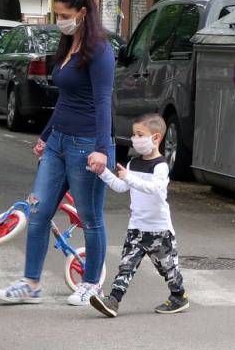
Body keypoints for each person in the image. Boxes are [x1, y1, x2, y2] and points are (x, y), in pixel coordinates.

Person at [0, 0, 115, 306]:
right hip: (59, 142)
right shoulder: (67, 44)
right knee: (38, 212)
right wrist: (46, 136)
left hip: (87, 144)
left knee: (90, 218)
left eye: (65, 14)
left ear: (83, 12)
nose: (60, 19)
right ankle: (30, 284)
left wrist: (102, 149)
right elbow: (66, 98)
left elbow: (103, 102)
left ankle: (92, 285)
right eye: (57, 13)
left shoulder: (100, 51)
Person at [90, 113, 189, 317]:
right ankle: (113, 301)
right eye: (134, 134)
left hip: (159, 231)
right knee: (126, 266)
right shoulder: (133, 163)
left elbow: (154, 188)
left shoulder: (161, 166)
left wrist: (130, 178)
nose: (135, 139)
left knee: (168, 269)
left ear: (156, 138)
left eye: (140, 134)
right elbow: (120, 186)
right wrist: (102, 172)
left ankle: (179, 296)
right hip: (136, 227)